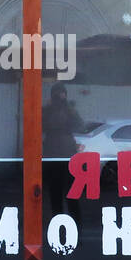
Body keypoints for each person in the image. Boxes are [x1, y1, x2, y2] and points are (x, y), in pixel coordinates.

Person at [42, 84, 85, 226]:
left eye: (61, 94)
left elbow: (79, 125)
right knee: (56, 194)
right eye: (57, 94)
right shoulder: (48, 110)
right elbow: (39, 125)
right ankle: (60, 225)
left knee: (69, 194)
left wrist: (67, 107)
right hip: (55, 155)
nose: (59, 97)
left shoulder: (67, 110)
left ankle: (75, 226)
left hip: (64, 155)